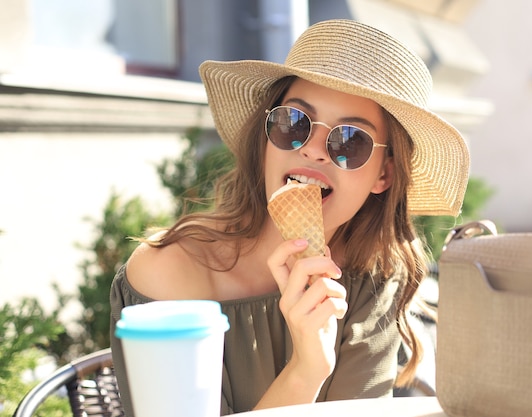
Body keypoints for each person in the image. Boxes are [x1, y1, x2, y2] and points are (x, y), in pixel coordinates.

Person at [109, 18, 469, 416]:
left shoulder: (376, 274)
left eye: (350, 140)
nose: (314, 150)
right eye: (293, 122)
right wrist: (306, 370)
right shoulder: (169, 273)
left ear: (384, 174)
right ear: (266, 138)